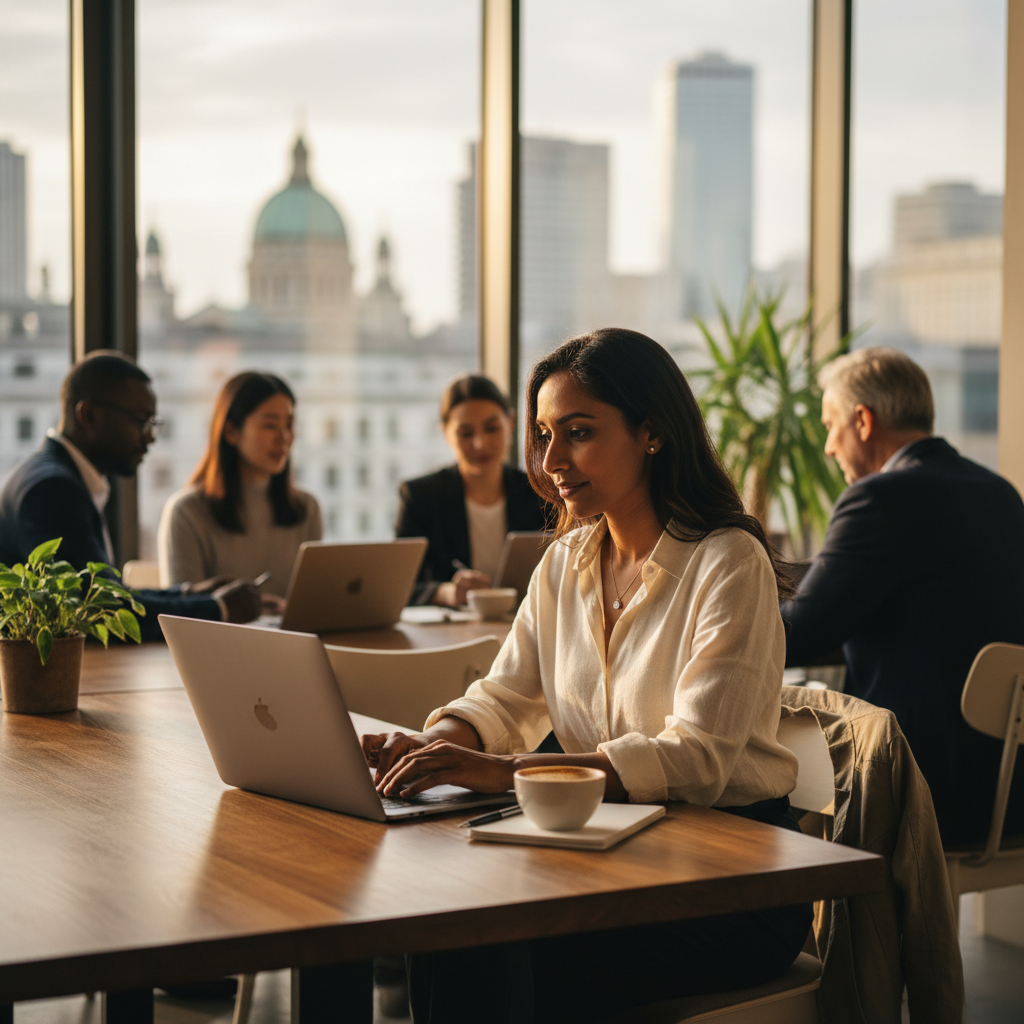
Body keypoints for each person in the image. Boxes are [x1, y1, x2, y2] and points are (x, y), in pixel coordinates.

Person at [364, 329, 811, 1024]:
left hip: (728, 880)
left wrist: (508, 772)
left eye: (577, 433)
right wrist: (437, 745)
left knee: (488, 949)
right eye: (543, 435)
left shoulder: (728, 562)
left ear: (652, 432)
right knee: (448, 925)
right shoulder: (566, 561)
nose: (549, 462)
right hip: (608, 854)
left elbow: (697, 760)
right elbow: (506, 695)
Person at [781, 347, 1024, 848]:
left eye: (831, 426)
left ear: (863, 421)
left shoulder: (880, 498)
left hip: (923, 786)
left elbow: (798, 635)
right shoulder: (1001, 493)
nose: (828, 446)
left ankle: (801, 917)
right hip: (1009, 787)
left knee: (759, 771)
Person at [0, 351, 263, 640]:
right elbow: (97, 612)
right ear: (88, 415)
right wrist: (219, 609)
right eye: (141, 420)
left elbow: (104, 592)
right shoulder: (53, 489)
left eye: (153, 423)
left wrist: (186, 593)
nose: (150, 436)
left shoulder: (53, 476)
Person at [158, 371, 321, 605]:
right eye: (270, 425)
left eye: (289, 425)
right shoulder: (186, 511)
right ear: (232, 432)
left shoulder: (307, 508)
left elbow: (313, 604)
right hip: (217, 642)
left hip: (292, 641)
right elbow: (182, 614)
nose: (284, 437)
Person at [396, 374, 548, 607]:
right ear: (446, 433)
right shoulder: (421, 496)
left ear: (510, 423)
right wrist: (446, 592)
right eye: (466, 433)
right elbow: (398, 584)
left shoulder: (541, 490)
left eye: (492, 428)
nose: (480, 444)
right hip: (454, 631)